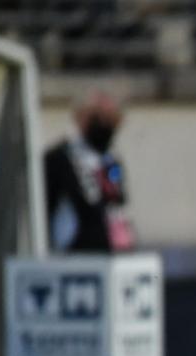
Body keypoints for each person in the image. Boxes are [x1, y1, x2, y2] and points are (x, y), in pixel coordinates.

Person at [44, 90, 134, 252]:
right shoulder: (60, 157)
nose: (105, 125)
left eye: (111, 119)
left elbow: (117, 199)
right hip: (73, 254)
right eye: (99, 118)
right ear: (81, 118)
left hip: (111, 252)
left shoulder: (111, 159)